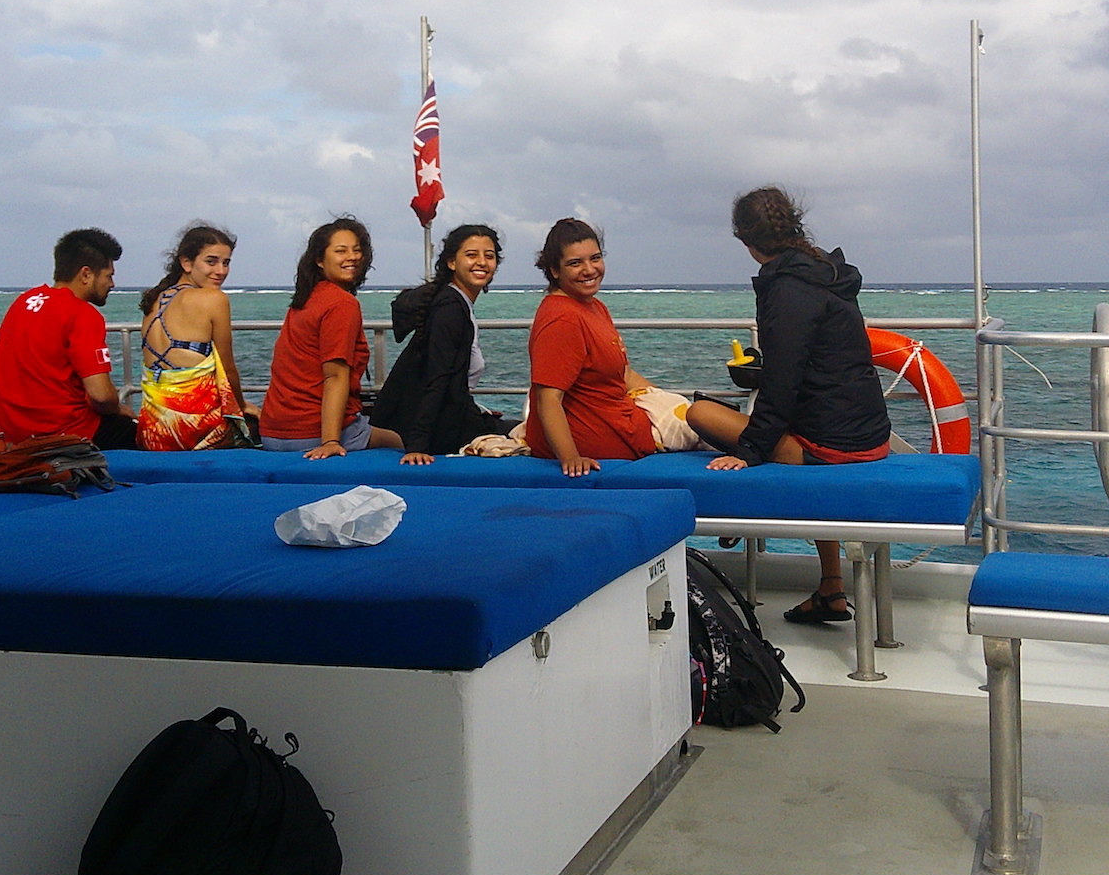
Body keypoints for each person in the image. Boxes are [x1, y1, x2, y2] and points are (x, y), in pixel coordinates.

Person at [686, 187, 892, 624]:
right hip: (872, 436)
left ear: (744, 239)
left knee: (698, 412)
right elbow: (813, 363)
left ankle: (737, 521)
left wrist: (749, 452)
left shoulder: (785, 287)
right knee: (796, 428)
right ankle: (831, 589)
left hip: (831, 447)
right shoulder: (825, 271)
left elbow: (783, 384)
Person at [259, 217, 403, 458]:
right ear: (319, 259)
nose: (353, 257)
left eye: (357, 250)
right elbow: (335, 375)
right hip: (313, 433)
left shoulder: (304, 300)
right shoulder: (341, 303)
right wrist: (331, 441)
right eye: (341, 251)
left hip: (273, 433)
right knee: (400, 441)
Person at [371, 224, 515, 463]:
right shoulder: (450, 309)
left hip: (450, 417)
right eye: (471, 255)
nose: (481, 262)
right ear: (451, 262)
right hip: (436, 431)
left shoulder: (454, 301)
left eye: (489, 256)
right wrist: (418, 446)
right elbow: (436, 378)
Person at [0, 228, 137, 449]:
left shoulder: (23, 302)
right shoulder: (82, 314)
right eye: (108, 276)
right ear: (86, 274)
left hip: (5, 434)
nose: (112, 284)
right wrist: (119, 408)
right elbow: (101, 396)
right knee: (141, 435)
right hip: (63, 435)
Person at [524, 218, 656, 477]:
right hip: (608, 441)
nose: (589, 269)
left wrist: (665, 400)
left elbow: (625, 374)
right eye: (575, 263)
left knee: (693, 414)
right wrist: (571, 457)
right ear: (554, 270)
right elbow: (548, 399)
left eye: (595, 258)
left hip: (626, 422)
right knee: (702, 419)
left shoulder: (594, 307)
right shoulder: (562, 318)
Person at [134, 222, 257, 451]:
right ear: (187, 263)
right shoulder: (213, 299)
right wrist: (241, 407)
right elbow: (228, 369)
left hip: (153, 431)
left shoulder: (155, 299)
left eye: (226, 262)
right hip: (196, 430)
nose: (221, 271)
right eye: (211, 261)